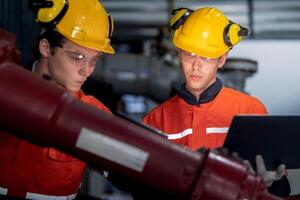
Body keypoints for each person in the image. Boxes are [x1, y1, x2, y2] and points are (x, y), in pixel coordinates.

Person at [143, 7, 288, 196]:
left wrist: (269, 185)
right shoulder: (156, 120)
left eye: (206, 57)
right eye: (189, 54)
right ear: (179, 53)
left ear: (222, 59)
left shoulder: (250, 110)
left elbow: (282, 189)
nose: (196, 65)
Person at [0, 0, 114, 199]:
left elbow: (129, 170)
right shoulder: (5, 89)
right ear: (45, 47)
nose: (86, 71)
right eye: (77, 57)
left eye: (94, 60)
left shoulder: (94, 115)